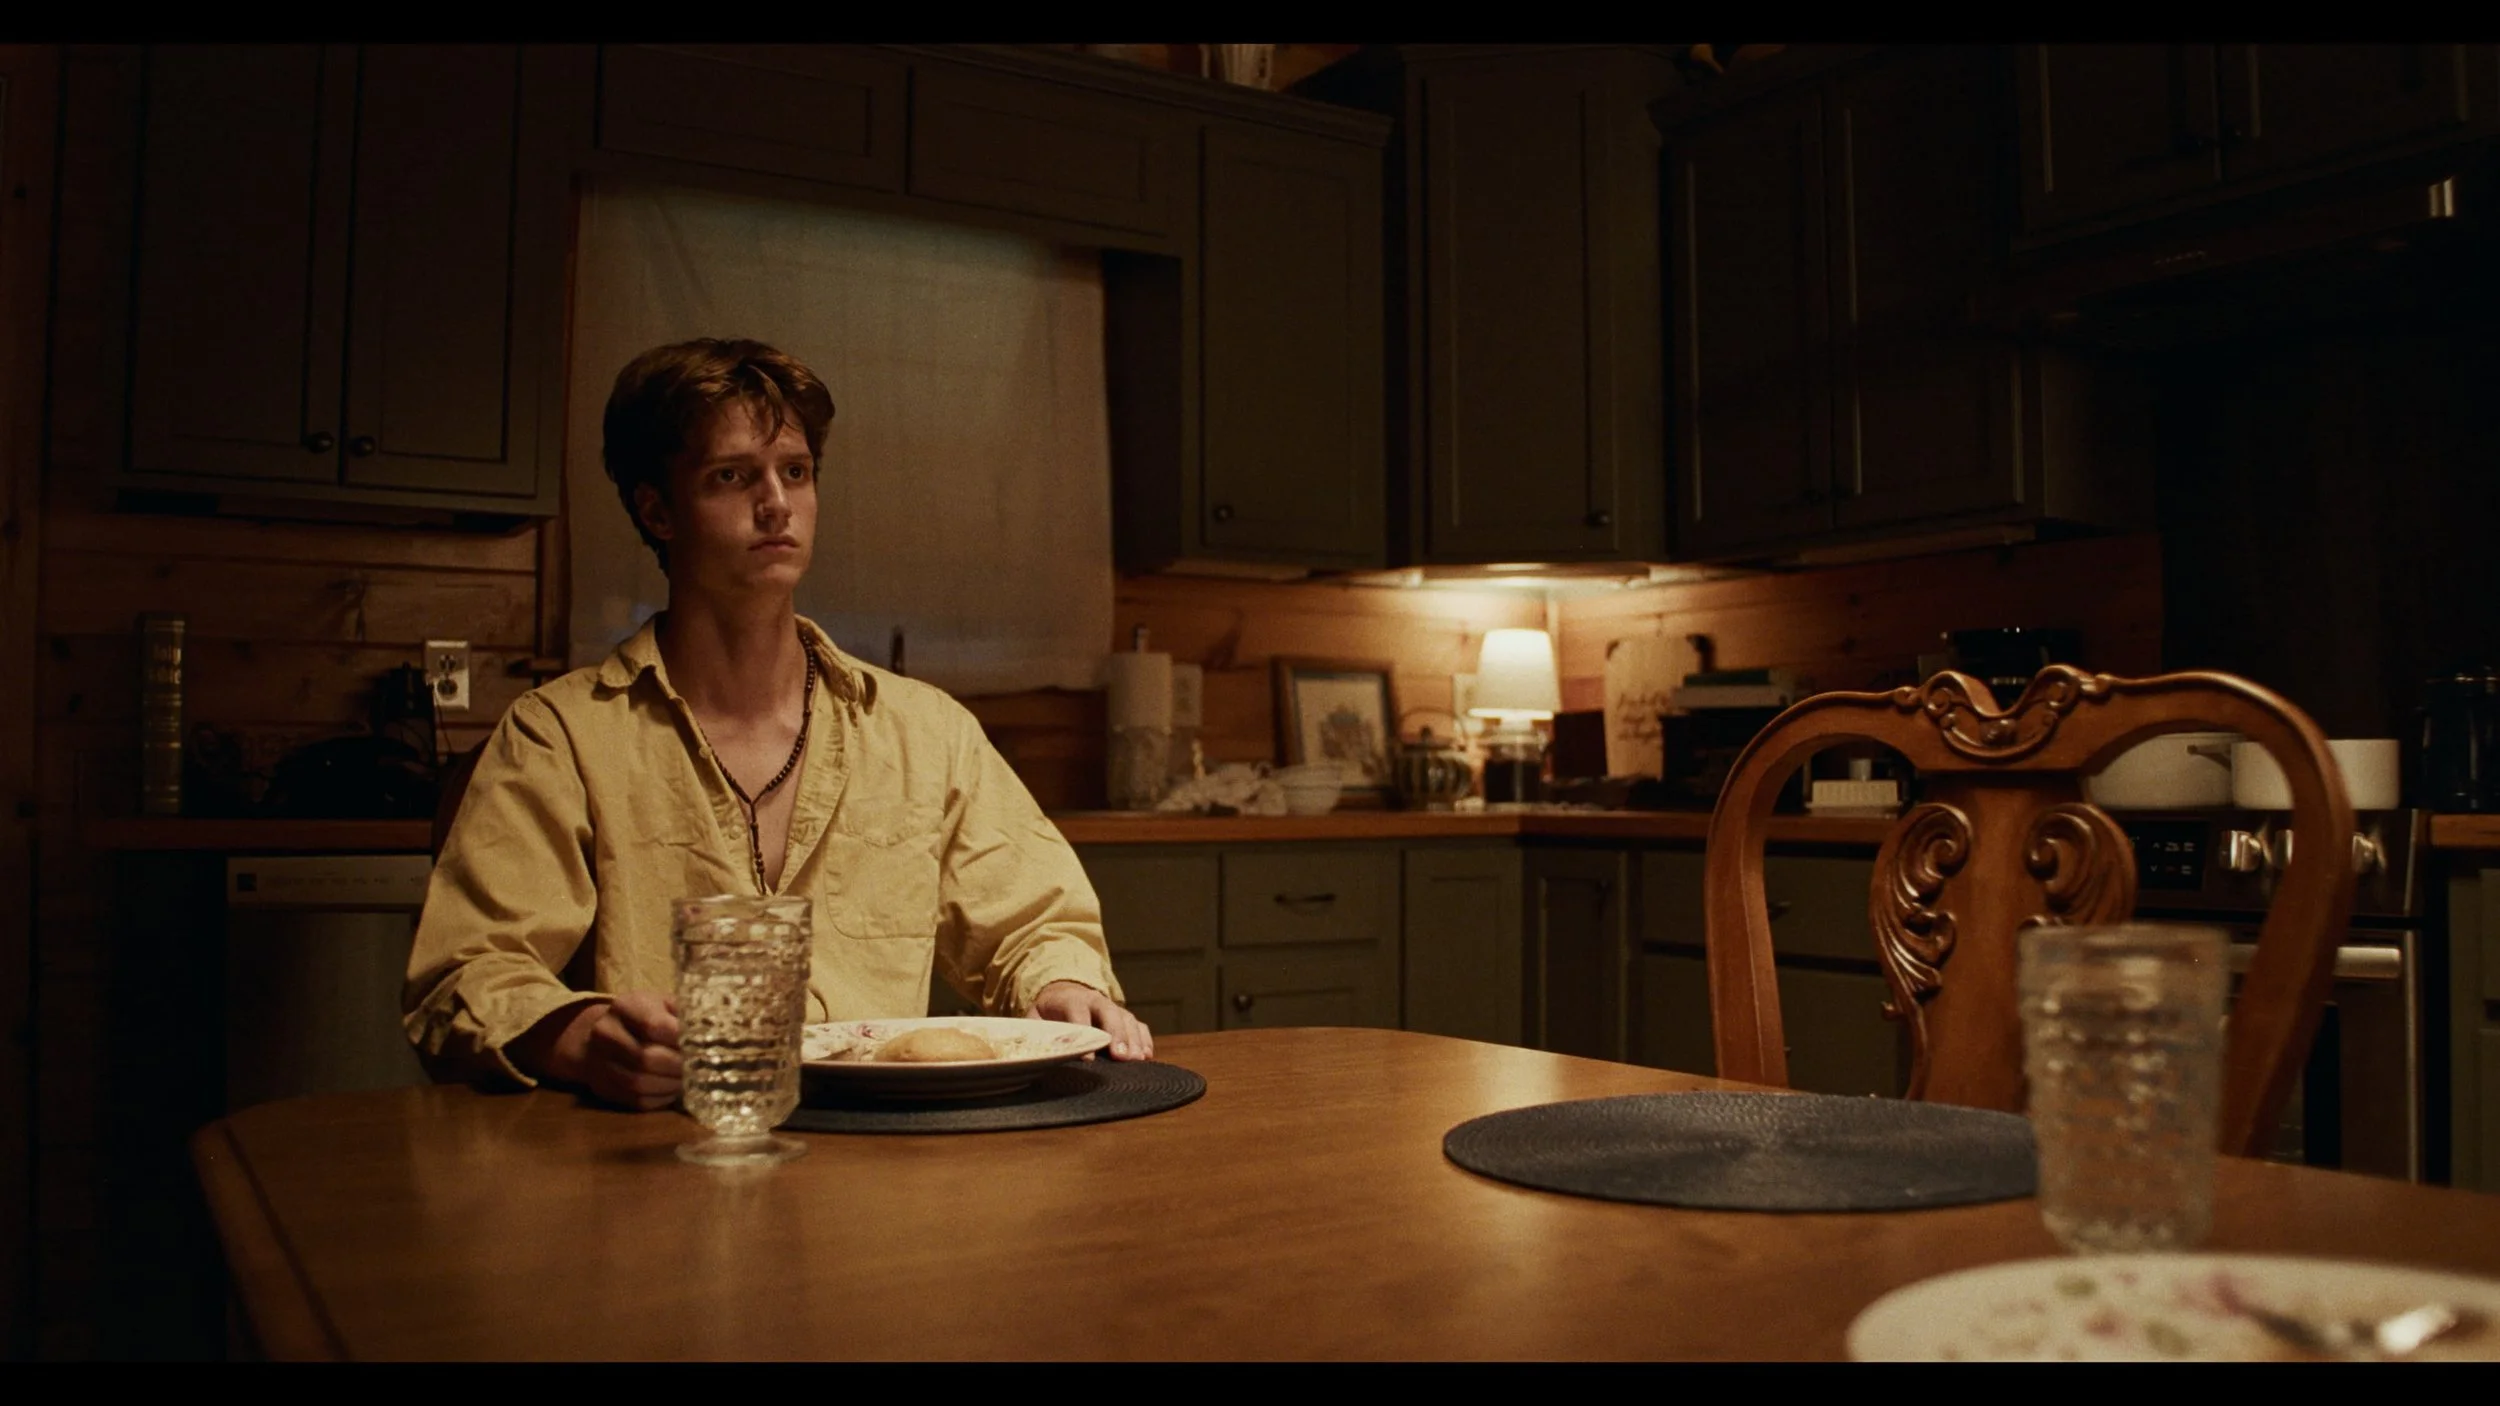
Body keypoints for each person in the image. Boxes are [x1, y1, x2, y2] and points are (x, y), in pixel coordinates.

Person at [404, 338, 1152, 1108]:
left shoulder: (927, 734)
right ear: (656, 509)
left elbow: (1033, 921)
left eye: (794, 472)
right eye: (731, 476)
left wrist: (1061, 984)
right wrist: (582, 1037)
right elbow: (469, 973)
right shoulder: (561, 736)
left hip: (884, 1171)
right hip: (661, 1159)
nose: (776, 503)